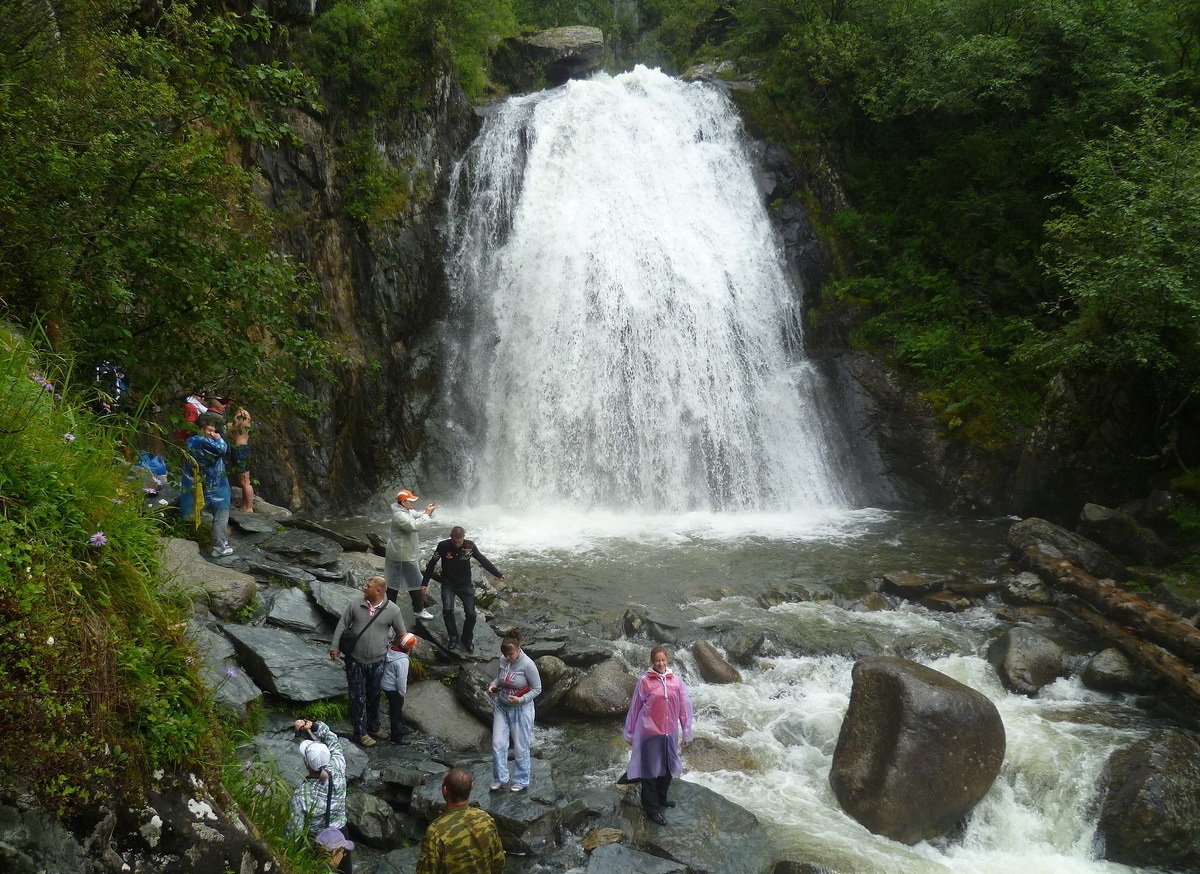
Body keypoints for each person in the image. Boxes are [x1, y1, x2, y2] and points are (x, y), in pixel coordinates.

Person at [330, 576, 408, 747]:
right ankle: (360, 732)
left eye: (369, 586)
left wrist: (404, 646)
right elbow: (342, 624)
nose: (365, 587)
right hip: (355, 659)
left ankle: (373, 727)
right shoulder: (356, 604)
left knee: (374, 695)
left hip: (378, 660)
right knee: (356, 696)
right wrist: (335, 646)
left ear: (378, 591)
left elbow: (402, 633)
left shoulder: (393, 610)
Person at [622, 646, 693, 825]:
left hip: (669, 733)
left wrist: (686, 731)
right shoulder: (645, 681)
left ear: (667, 660)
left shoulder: (676, 681)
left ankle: (662, 799)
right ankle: (651, 810)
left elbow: (684, 708)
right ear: (652, 662)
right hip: (649, 733)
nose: (660, 664)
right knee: (649, 773)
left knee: (667, 770)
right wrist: (630, 733)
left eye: (663, 660)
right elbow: (635, 708)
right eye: (657, 661)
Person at [421, 526, 505, 653]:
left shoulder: (469, 546)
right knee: (448, 610)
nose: (457, 544)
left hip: (465, 585)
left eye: (459, 541)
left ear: (463, 538)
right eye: (455, 541)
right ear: (451, 536)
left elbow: (482, 559)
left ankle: (467, 638)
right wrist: (424, 583)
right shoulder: (443, 546)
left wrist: (497, 574)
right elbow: (432, 563)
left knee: (471, 614)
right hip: (448, 584)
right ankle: (453, 637)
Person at [416, 767, 504, 874]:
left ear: (444, 790)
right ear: (472, 787)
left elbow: (426, 871)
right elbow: (499, 861)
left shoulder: (435, 832)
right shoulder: (486, 819)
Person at [486, 628, 541, 793]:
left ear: (518, 649)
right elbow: (500, 677)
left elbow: (537, 689)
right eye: (506, 655)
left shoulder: (528, 665)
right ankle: (500, 778)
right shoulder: (503, 659)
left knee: (520, 746)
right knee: (497, 743)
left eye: (511, 655)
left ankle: (521, 780)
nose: (508, 658)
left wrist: (521, 699)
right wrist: (494, 684)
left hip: (521, 709)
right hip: (502, 707)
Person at [178, 415, 233, 558]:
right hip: (217, 484)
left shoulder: (191, 441)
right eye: (210, 430)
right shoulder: (206, 442)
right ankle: (220, 547)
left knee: (209, 515)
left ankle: (207, 542)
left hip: (201, 482)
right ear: (201, 429)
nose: (212, 433)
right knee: (220, 517)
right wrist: (219, 438)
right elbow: (222, 449)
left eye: (214, 431)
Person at [287, 720, 348, 847]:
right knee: (344, 866)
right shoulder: (338, 766)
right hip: (341, 833)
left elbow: (294, 834)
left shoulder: (301, 796)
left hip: (318, 842)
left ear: (307, 765)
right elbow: (331, 737)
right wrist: (314, 726)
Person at [386, 488, 437, 618]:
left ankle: (388, 609)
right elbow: (414, 526)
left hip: (400, 554)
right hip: (403, 555)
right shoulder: (400, 515)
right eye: (410, 501)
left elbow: (417, 515)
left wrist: (428, 512)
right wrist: (426, 514)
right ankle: (418, 610)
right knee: (415, 582)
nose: (413, 503)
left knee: (393, 583)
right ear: (403, 502)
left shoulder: (405, 511)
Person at [382, 631, 419, 744]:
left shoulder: (391, 650)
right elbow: (401, 679)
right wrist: (402, 692)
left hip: (385, 683)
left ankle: (400, 728)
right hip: (393, 688)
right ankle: (397, 736)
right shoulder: (402, 660)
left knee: (395, 710)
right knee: (396, 712)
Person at [228, 405, 254, 512]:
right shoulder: (247, 415)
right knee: (242, 480)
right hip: (243, 448)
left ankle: (249, 507)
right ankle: (244, 505)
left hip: (240, 449)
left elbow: (230, 427)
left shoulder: (241, 415)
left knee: (245, 481)